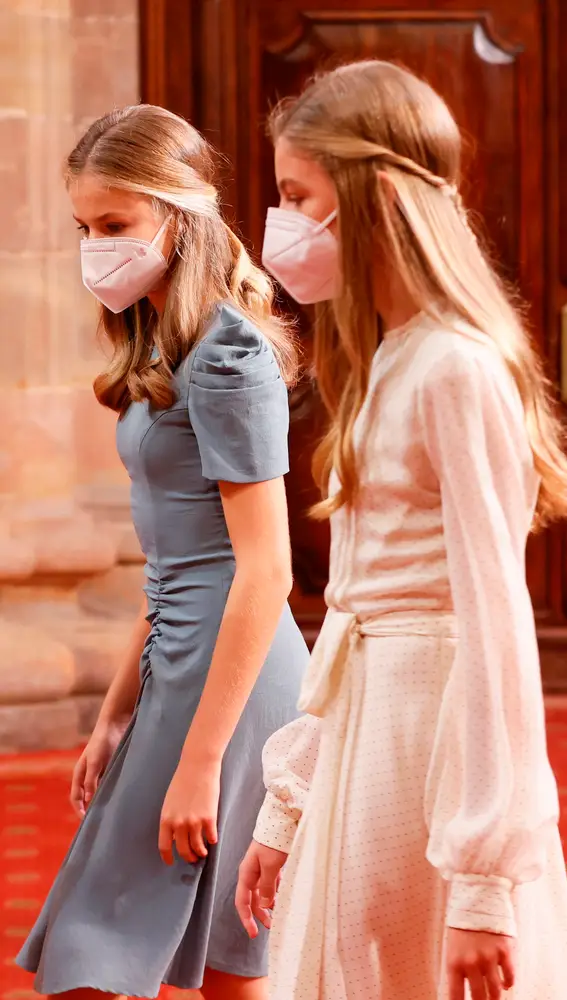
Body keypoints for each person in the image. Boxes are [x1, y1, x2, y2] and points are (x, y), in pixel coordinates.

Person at [235, 60, 567, 1000]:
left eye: (298, 195)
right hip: (368, 727)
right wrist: (286, 808)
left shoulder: (458, 368)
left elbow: (495, 628)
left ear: (371, 193)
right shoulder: (391, 361)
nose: (283, 227)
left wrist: (481, 882)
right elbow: (348, 613)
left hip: (434, 741)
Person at [16, 104, 309, 1000]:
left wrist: (198, 757)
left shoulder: (228, 357)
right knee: (191, 956)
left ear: (176, 218)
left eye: (115, 226)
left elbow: (266, 570)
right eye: (83, 228)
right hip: (174, 666)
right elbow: (169, 560)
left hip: (232, 680)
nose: (96, 247)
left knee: (163, 957)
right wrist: (116, 710)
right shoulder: (162, 346)